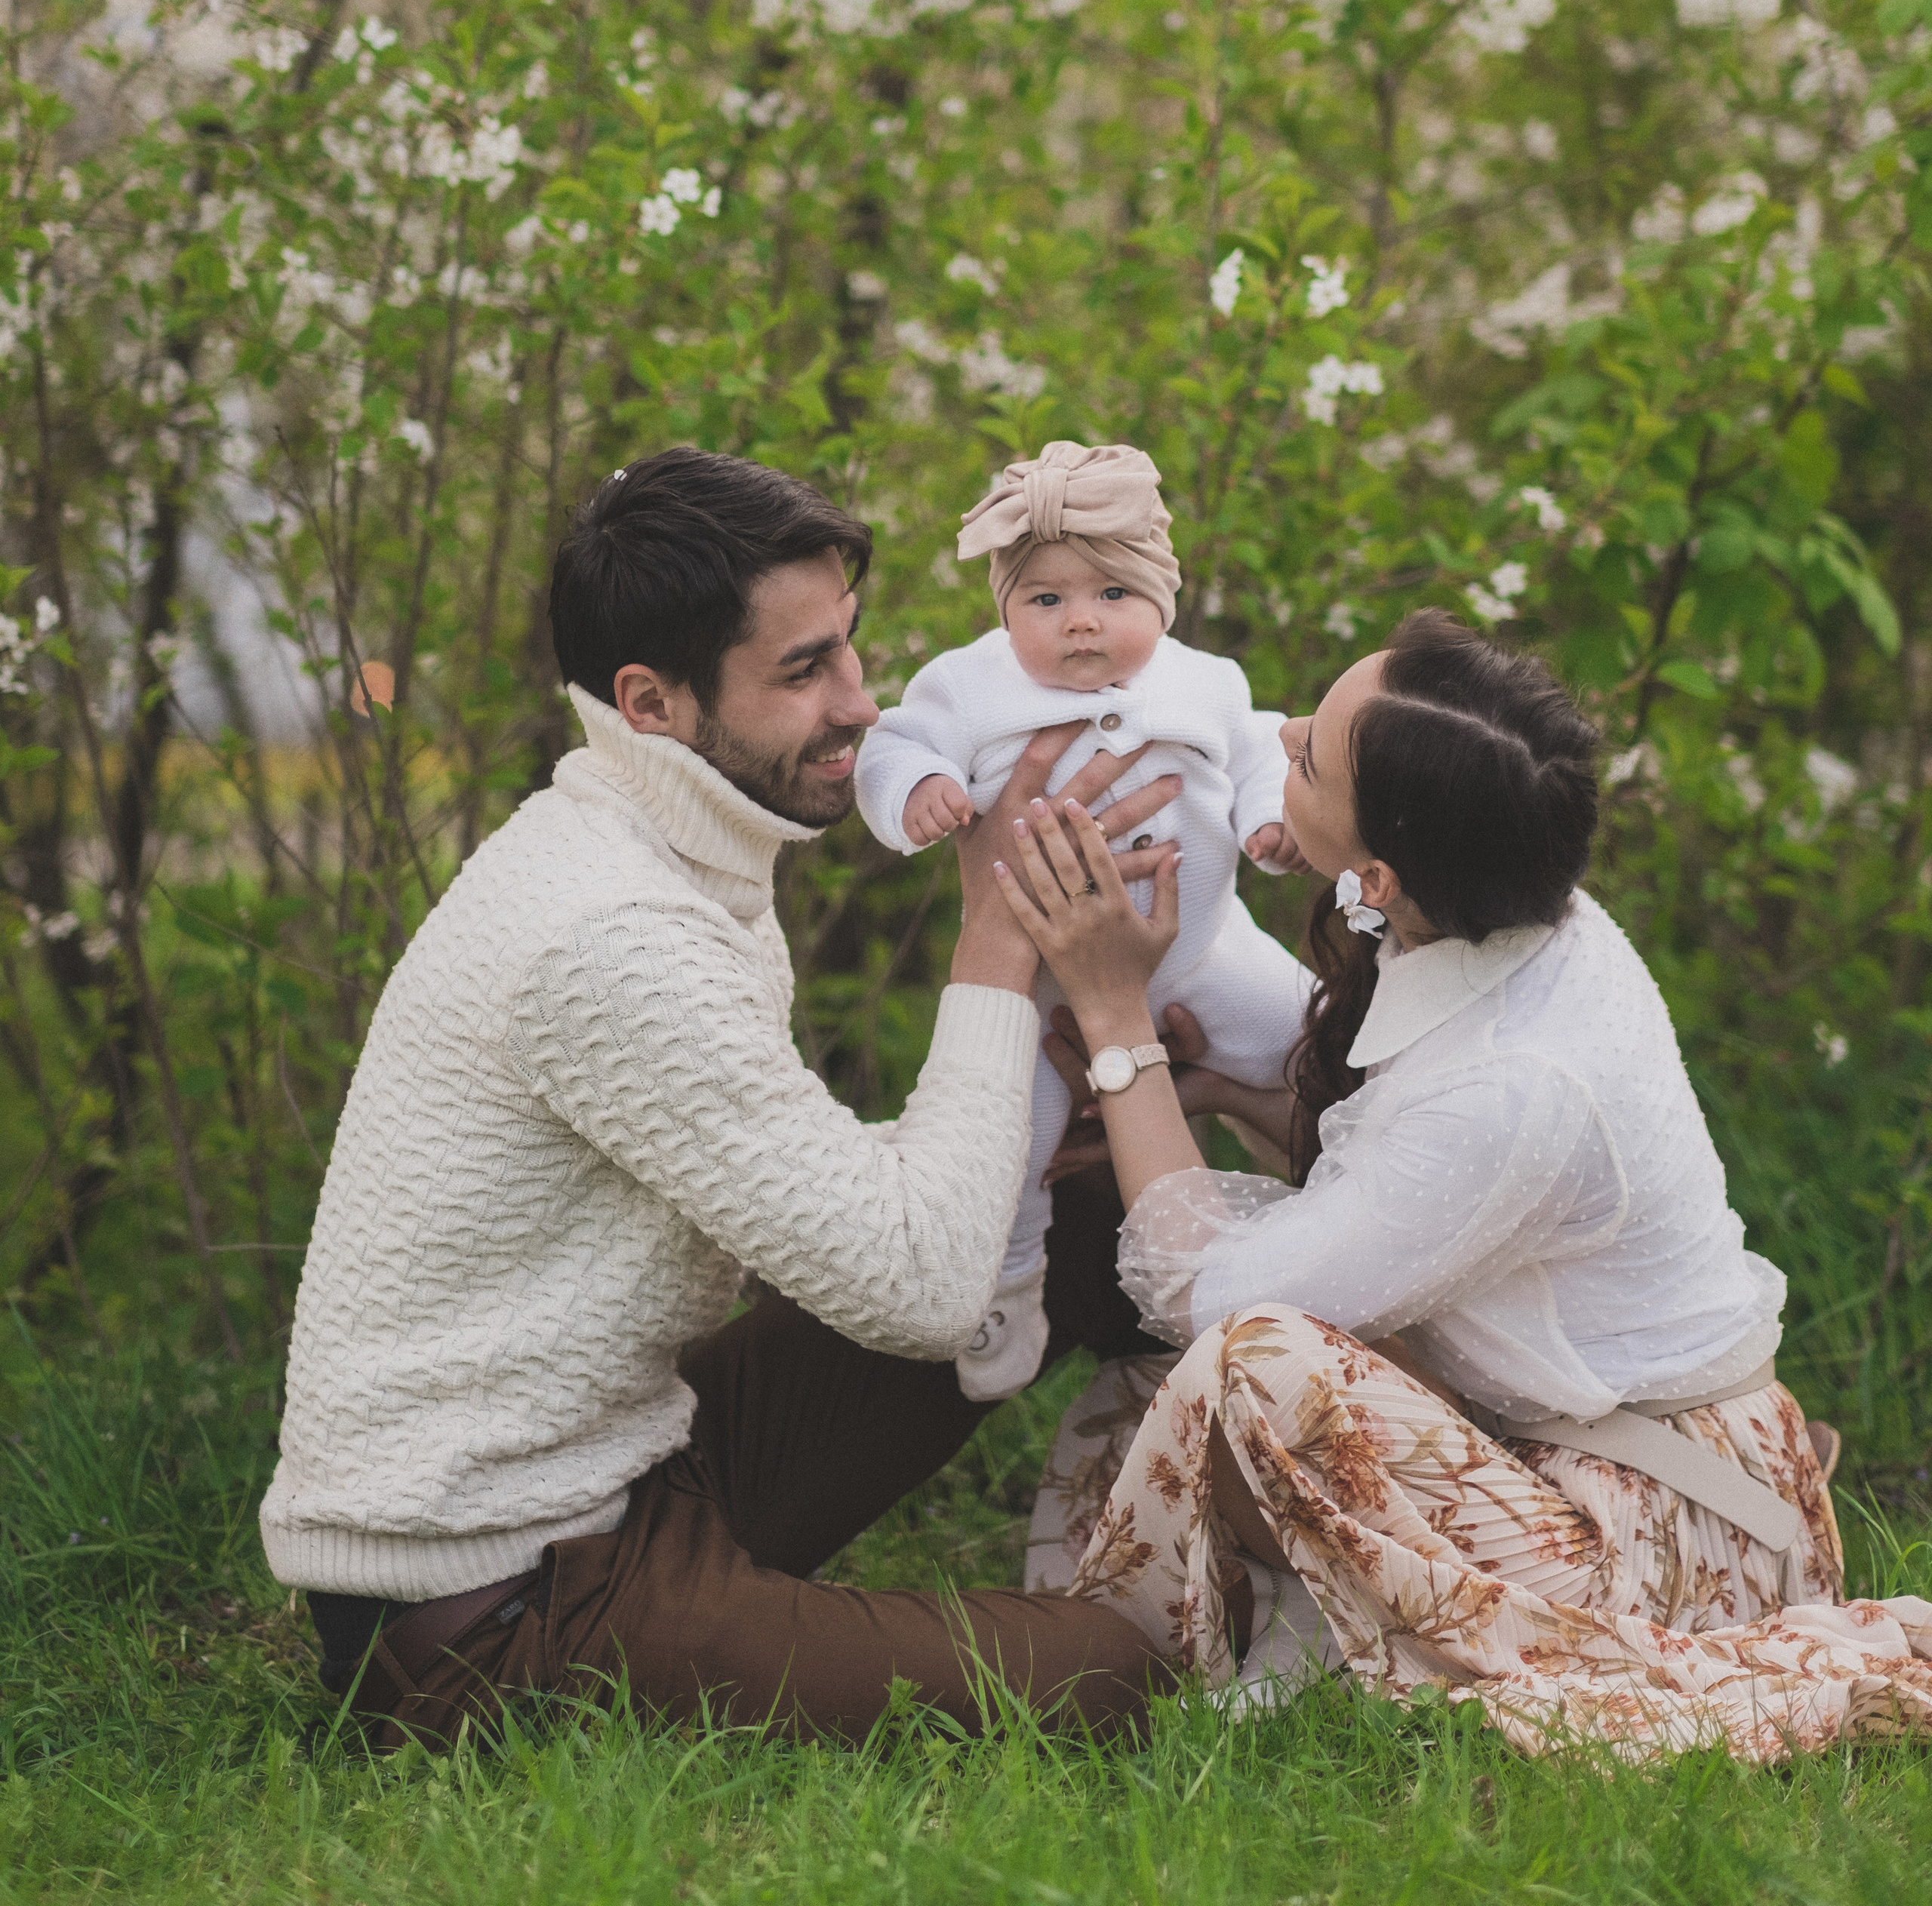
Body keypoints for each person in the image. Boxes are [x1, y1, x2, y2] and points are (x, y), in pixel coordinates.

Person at [259, 446, 1183, 1749]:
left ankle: (1301, 1487)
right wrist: (998, 939)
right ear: (653, 701)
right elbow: (924, 1287)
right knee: (1119, 1672)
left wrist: (1098, 1056)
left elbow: (821, 1197)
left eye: (848, 650)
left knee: (1081, 1207)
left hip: (629, 1465)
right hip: (496, 1604)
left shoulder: (668, 855)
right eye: (802, 672)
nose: (860, 706)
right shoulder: (609, 935)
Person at [990, 610, 1932, 1760]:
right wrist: (1219, 1092)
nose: (1279, 734)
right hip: (1612, 1455)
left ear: (1382, 872)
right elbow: (1401, 1165)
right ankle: (1322, 1638)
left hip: (1664, 1540)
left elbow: (1210, 1300)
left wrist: (1111, 1009)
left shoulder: (1514, 1084)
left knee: (1255, 1369)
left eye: (1310, 758)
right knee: (1175, 1394)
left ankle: (1265, 1665)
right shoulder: (1514, 917)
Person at [856, 441, 1304, 1403]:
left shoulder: (1204, 682)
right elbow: (893, 741)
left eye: (1111, 595)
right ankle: (1007, 1281)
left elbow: (1265, 745)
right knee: (1008, 1145)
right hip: (1041, 985)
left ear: (1161, 599)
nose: (1080, 623)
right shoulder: (967, 683)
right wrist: (920, 789)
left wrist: (1270, 819)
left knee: (1315, 1044)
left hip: (1203, 952)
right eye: (1044, 601)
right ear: (1007, 609)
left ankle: (1355, 1186)